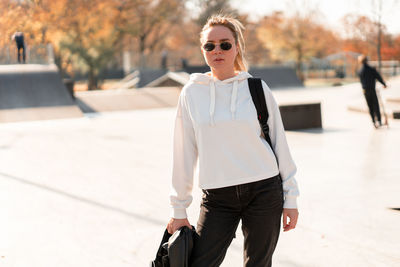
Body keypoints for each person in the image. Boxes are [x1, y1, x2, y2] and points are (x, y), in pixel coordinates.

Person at [166, 15, 299, 267]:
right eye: (210, 45)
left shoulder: (257, 88)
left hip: (264, 191)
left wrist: (291, 198)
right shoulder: (192, 93)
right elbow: (183, 152)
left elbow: (280, 144)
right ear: (203, 50)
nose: (217, 50)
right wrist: (178, 209)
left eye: (225, 44)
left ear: (237, 47)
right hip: (217, 197)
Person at [358, 55, 387, 128]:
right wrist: (384, 84)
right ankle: (379, 121)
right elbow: (378, 77)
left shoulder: (360, 71)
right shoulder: (371, 69)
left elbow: (361, 81)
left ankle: (373, 121)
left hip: (365, 90)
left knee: (370, 106)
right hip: (372, 89)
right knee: (375, 105)